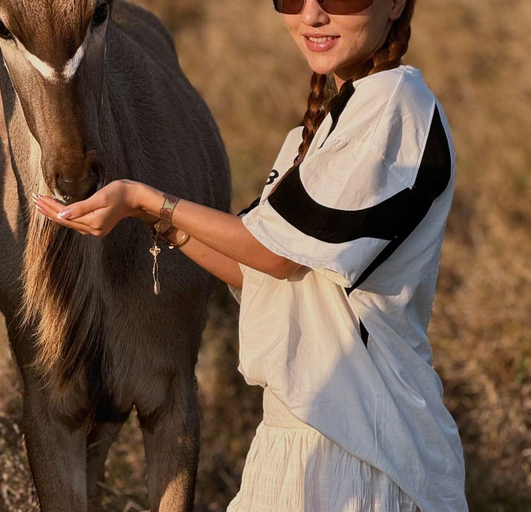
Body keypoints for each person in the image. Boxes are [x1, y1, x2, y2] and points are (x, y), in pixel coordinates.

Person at [34, 0, 468, 509]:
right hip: (301, 432)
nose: (311, 16)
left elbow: (276, 255)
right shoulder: (318, 132)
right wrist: (153, 220)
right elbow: (253, 268)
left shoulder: (395, 105)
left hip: (366, 449)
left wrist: (144, 199)